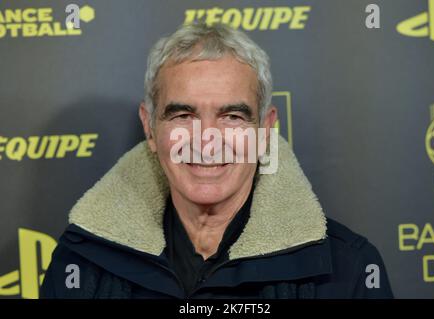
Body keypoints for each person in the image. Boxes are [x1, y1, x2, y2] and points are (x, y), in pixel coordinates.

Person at [40, 22, 393, 299]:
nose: (207, 140)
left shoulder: (347, 269)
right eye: (183, 115)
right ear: (150, 128)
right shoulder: (81, 262)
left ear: (265, 130)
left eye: (232, 117)